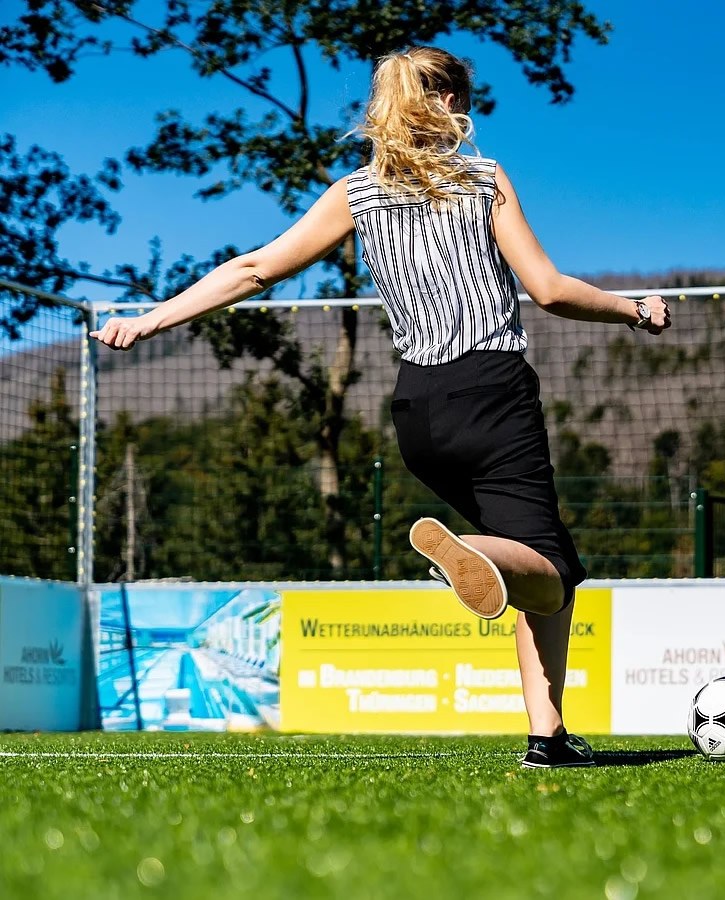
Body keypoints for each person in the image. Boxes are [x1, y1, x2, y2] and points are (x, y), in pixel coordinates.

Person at [90, 46, 671, 768]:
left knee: (531, 563)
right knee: (550, 570)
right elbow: (549, 289)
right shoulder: (484, 180)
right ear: (453, 103)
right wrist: (635, 309)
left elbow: (254, 268)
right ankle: (486, 583)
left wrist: (151, 320)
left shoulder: (355, 193)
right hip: (492, 391)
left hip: (417, 410)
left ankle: (546, 730)